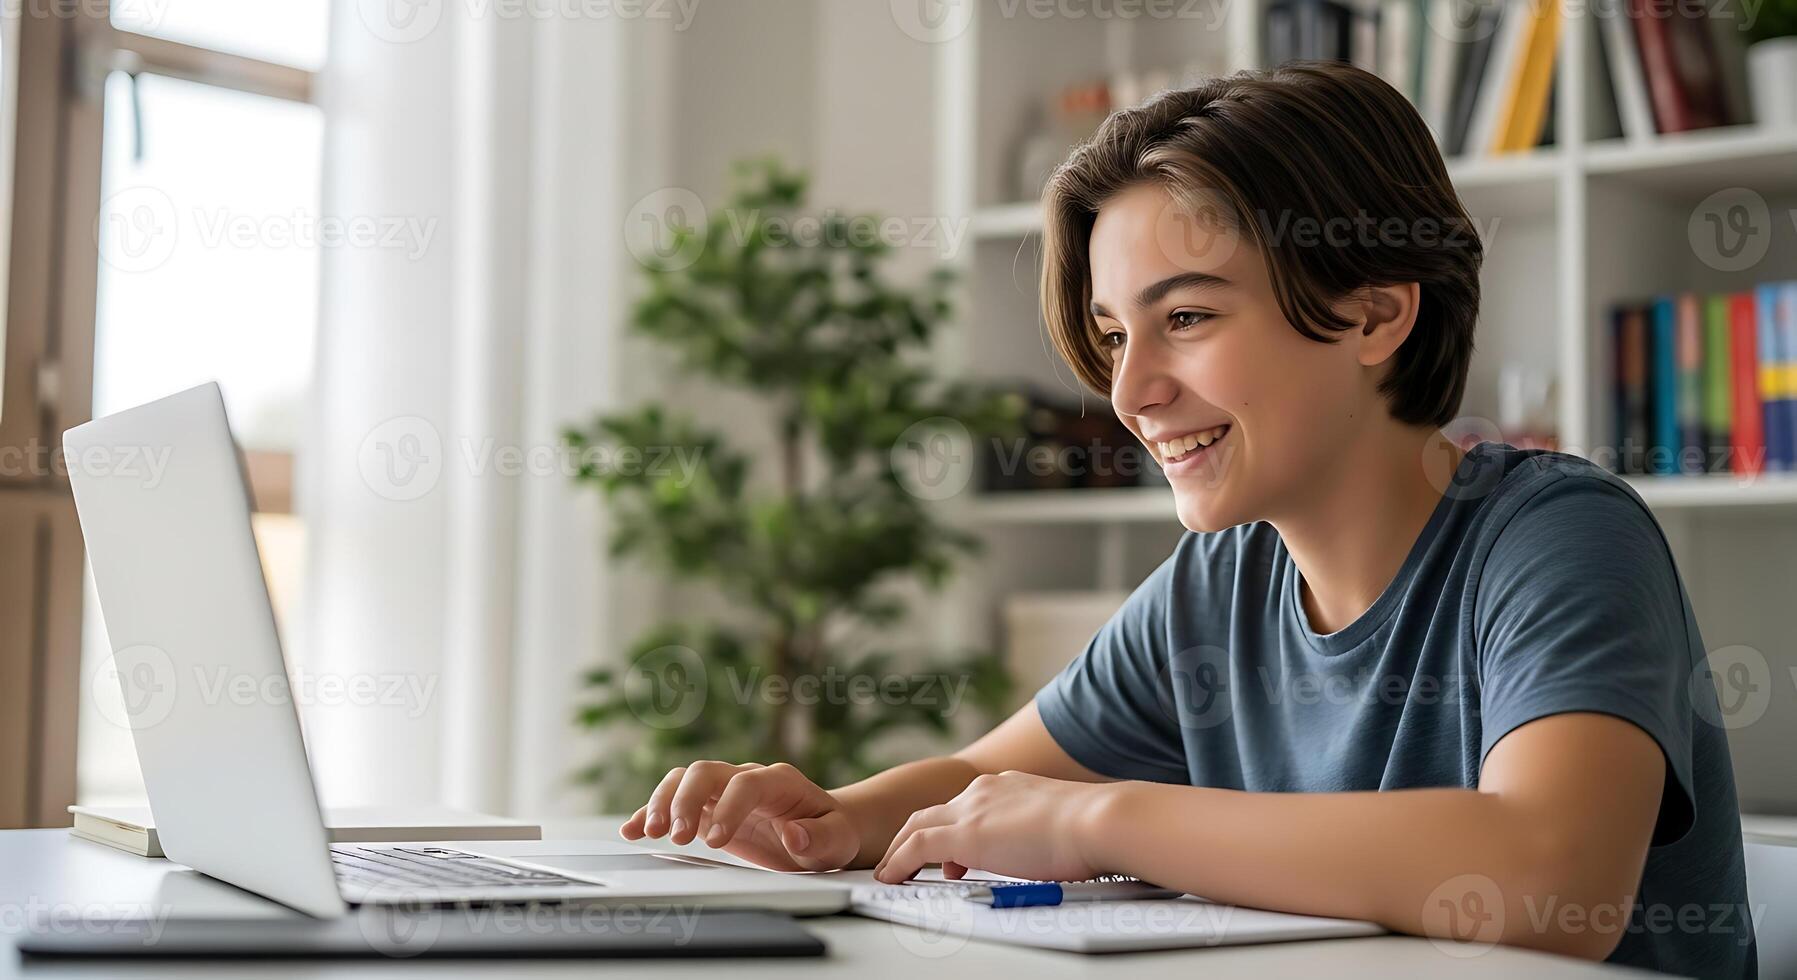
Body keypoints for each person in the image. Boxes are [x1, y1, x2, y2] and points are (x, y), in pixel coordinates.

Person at [619, 61, 1755, 976]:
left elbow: (1552, 878)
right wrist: (829, 818)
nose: (1129, 391)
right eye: (1116, 334)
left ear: (1374, 312)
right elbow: (983, 779)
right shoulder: (1220, 582)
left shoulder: (1556, 536)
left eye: (1190, 316)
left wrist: (1097, 820)